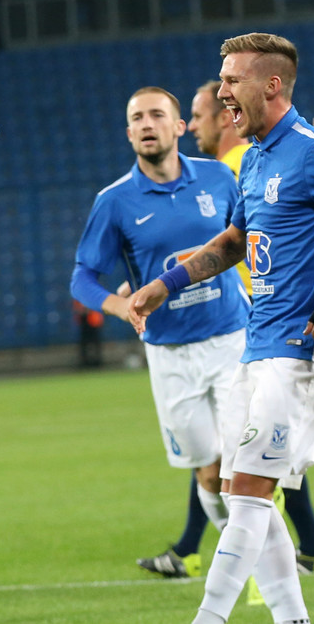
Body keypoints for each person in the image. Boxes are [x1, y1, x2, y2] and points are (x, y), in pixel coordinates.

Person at [130, 33, 314, 624]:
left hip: (302, 350)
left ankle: (207, 618)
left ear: (271, 84)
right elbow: (236, 242)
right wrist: (167, 284)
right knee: (245, 497)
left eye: (231, 80)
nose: (220, 92)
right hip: (256, 347)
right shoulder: (256, 157)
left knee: (247, 499)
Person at [70, 86, 249, 581]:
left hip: (232, 340)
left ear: (179, 127)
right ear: (130, 133)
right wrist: (120, 304)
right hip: (169, 355)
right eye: (137, 118)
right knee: (209, 474)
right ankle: (247, 560)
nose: (147, 123)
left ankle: (255, 571)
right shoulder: (115, 201)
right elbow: (82, 278)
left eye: (157, 115)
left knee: (244, 470)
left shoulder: (219, 177)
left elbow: (248, 240)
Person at [184, 78, 314, 578]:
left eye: (198, 113)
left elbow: (286, 204)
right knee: (240, 465)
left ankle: (225, 571)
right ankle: (305, 556)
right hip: (259, 329)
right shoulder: (252, 159)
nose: (194, 124)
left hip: (265, 326)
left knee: (234, 465)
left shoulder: (235, 163)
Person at [72, 300, 104, 368]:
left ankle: (97, 361)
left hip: (93, 322)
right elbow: (77, 309)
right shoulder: (78, 297)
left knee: (95, 343)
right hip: (84, 322)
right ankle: (85, 361)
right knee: (84, 344)